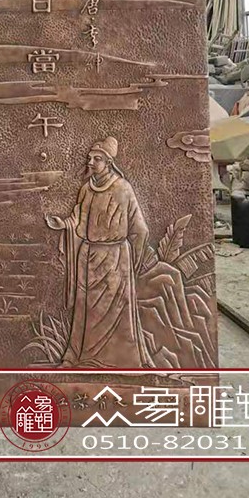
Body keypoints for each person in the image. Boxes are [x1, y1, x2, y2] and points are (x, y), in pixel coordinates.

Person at [46, 137, 215, 369]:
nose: (91, 162)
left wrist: (133, 260)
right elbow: (78, 219)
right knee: (86, 310)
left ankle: (118, 360)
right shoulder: (86, 189)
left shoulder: (122, 189)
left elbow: (140, 229)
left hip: (115, 257)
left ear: (108, 162)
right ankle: (79, 357)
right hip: (89, 256)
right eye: (90, 158)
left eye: (97, 159)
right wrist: (63, 224)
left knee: (114, 311)